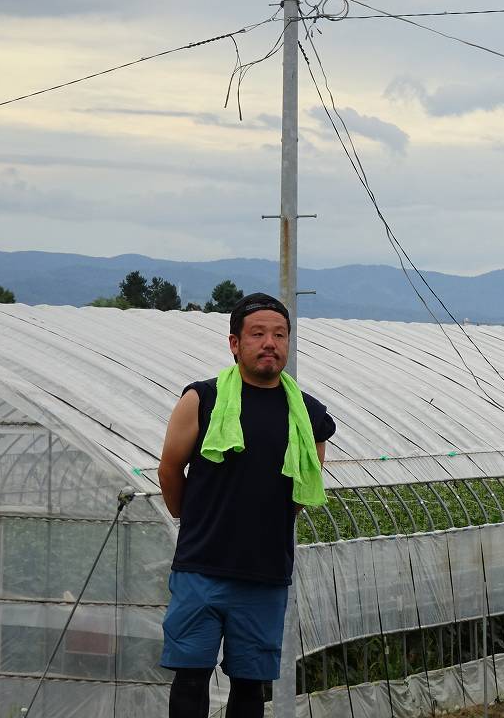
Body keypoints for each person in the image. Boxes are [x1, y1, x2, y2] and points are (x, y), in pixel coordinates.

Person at [157, 293, 336, 718]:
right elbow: (169, 470)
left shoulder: (308, 415)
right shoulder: (202, 400)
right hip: (201, 568)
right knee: (190, 677)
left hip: (264, 572)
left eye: (279, 334)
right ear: (235, 344)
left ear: (289, 343)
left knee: (251, 686)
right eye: (257, 334)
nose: (269, 343)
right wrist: (194, 520)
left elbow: (303, 490)